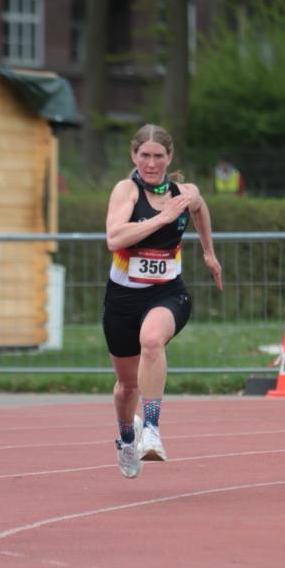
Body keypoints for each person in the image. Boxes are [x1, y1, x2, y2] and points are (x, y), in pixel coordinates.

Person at [104, 124, 223, 478]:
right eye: (145, 156)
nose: (151, 163)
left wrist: (208, 253)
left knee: (153, 341)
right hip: (123, 298)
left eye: (158, 156)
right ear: (134, 156)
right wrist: (164, 217)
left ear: (169, 158)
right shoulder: (126, 190)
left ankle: (152, 429)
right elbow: (114, 237)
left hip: (168, 292)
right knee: (127, 387)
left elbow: (200, 209)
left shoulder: (184, 192)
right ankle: (128, 438)